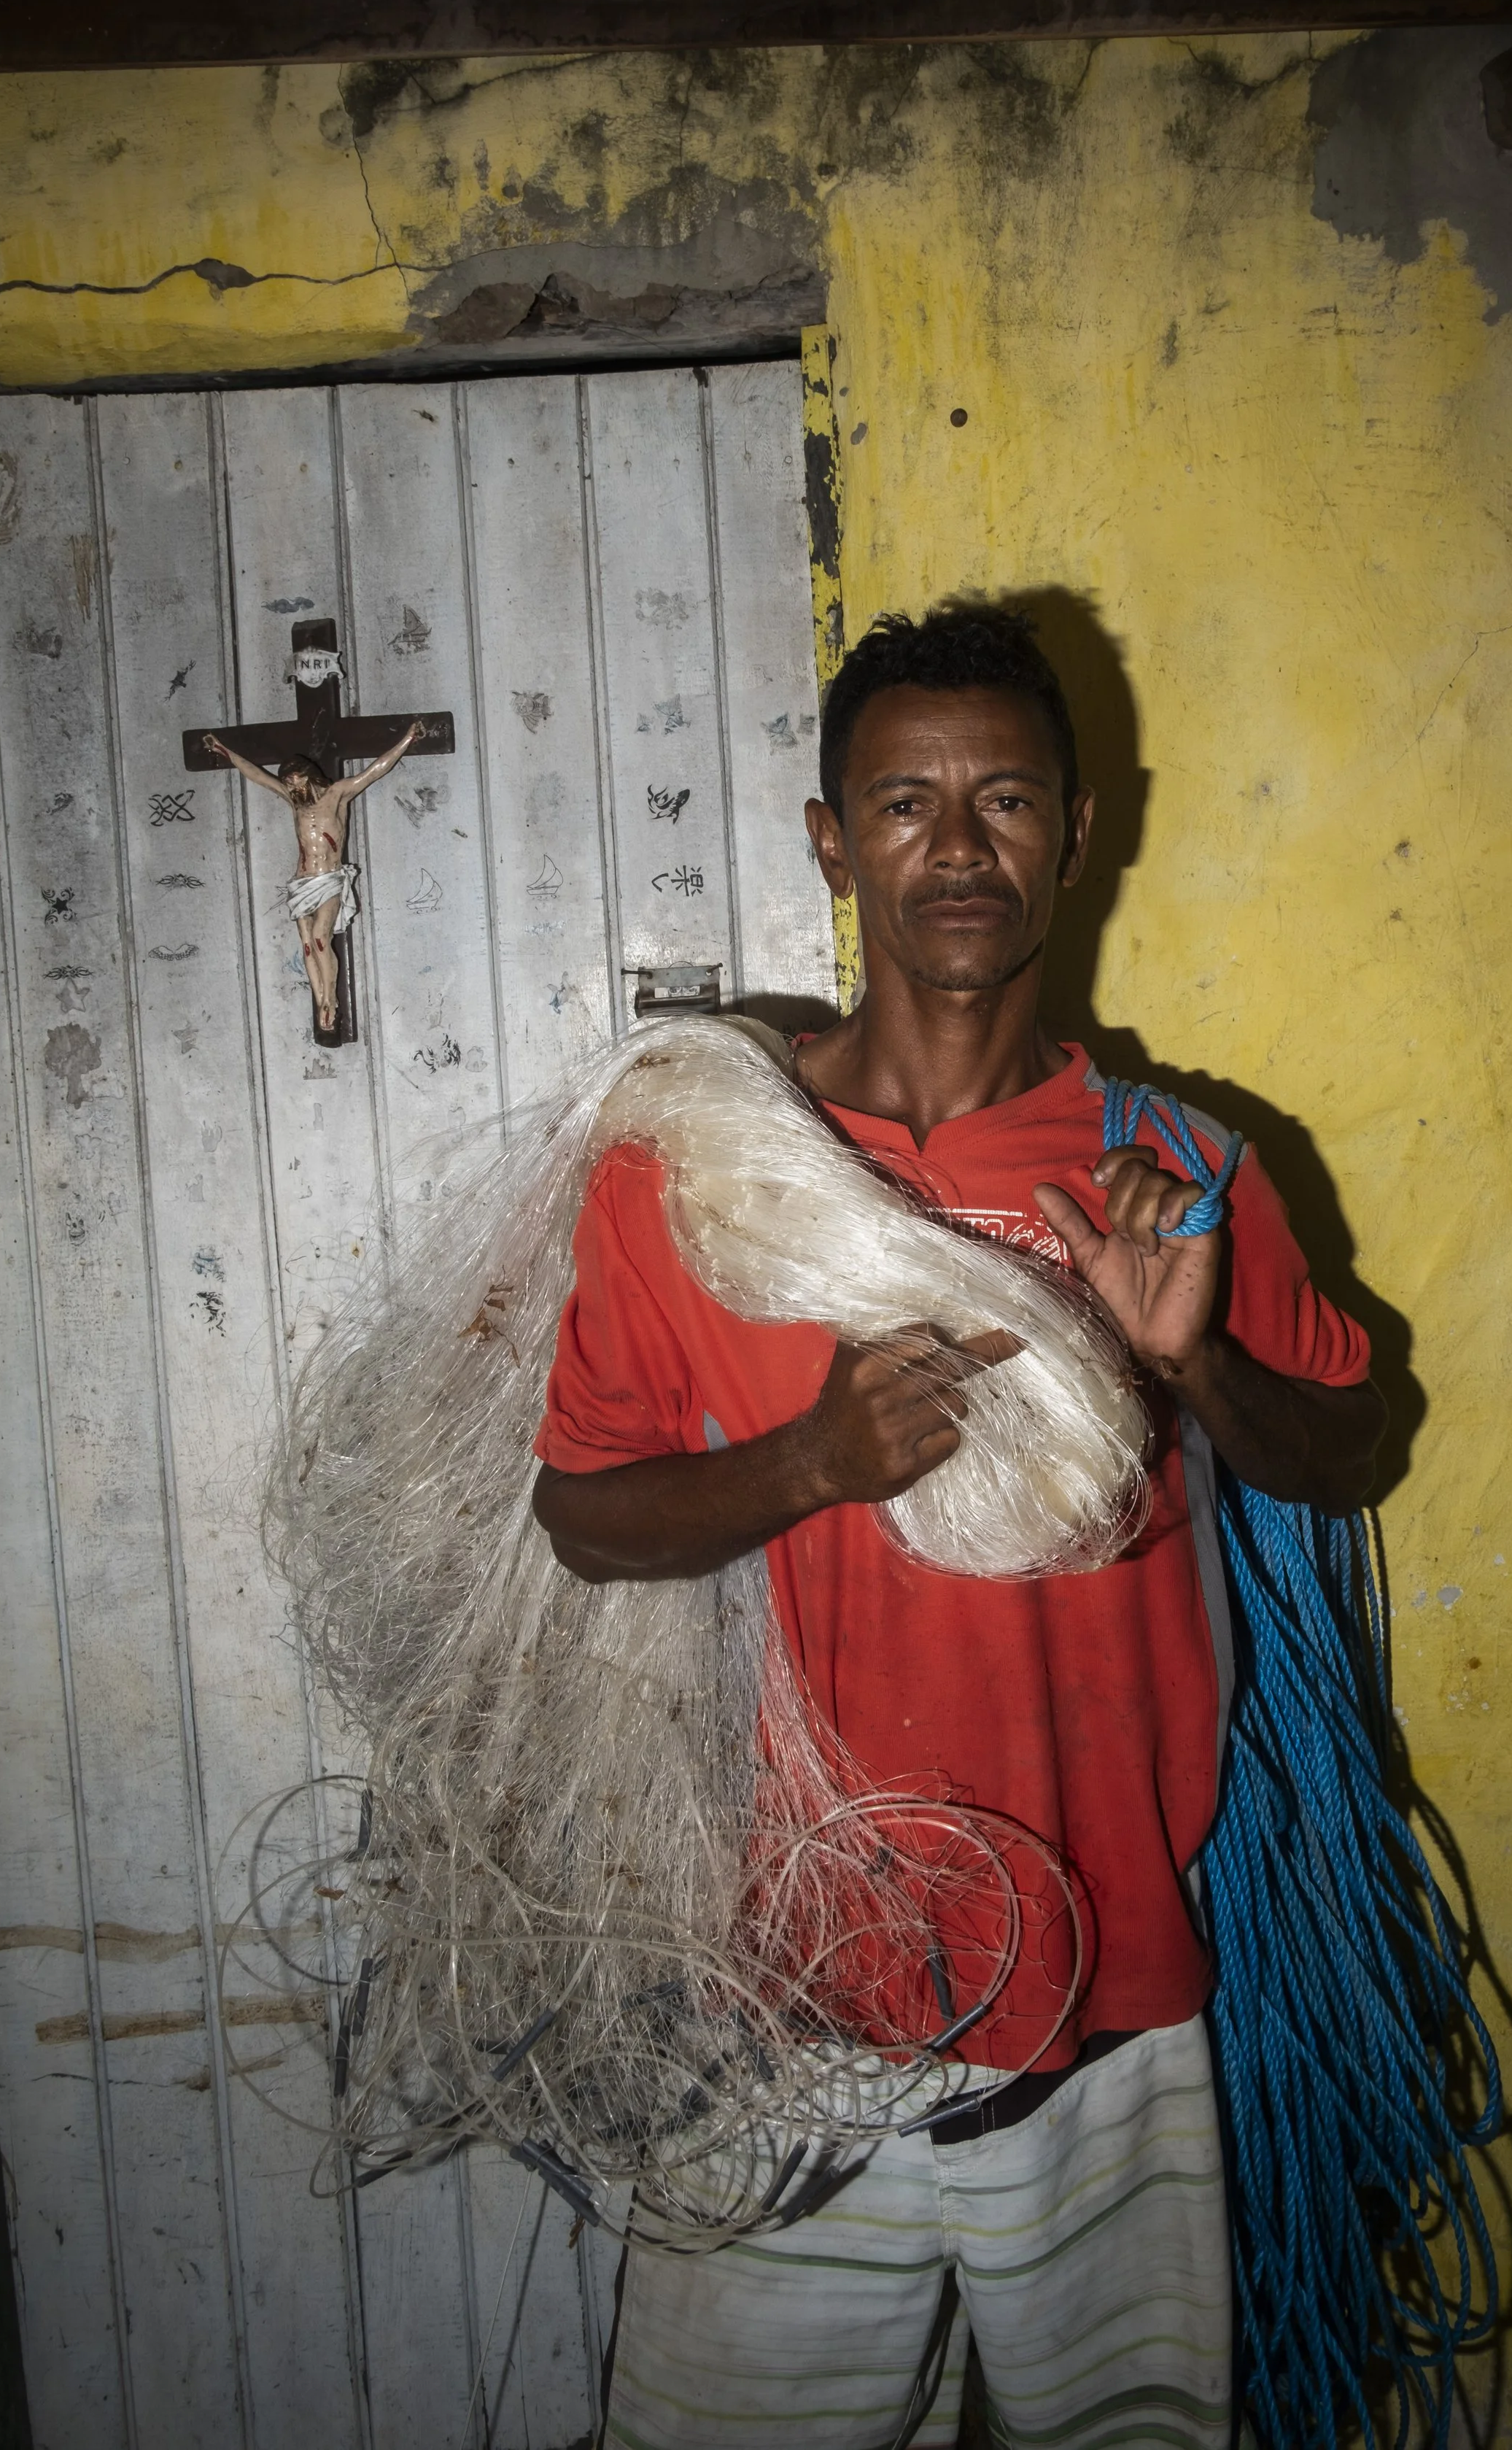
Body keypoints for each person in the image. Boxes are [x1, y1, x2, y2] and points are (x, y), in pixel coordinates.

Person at [532, 603, 1386, 2449]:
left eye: (1004, 798)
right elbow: (583, 1515)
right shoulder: (701, 1182)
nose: (957, 845)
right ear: (834, 837)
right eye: (905, 802)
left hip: (1114, 1985)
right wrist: (808, 1462)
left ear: (1078, 832)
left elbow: (1354, 1451)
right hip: (783, 1989)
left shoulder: (1184, 1164)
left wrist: (1203, 1362)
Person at [204, 719, 424, 1031]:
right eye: (290, 784)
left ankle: (330, 999)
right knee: (307, 945)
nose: (293, 789)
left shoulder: (337, 794)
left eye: (296, 782)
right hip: (301, 882)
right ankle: (319, 997)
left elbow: (375, 770)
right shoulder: (294, 801)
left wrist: (408, 739)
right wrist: (224, 750)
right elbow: (256, 775)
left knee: (322, 939)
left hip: (328, 879)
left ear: (309, 776)